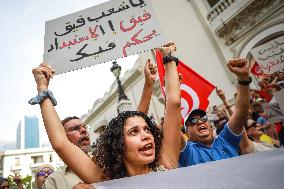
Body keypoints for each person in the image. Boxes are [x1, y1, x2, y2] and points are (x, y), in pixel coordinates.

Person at [30, 43, 181, 183]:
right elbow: (60, 143)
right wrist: (42, 88)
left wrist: (168, 58)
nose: (146, 135)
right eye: (134, 132)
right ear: (118, 145)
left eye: (147, 129)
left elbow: (173, 102)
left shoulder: (166, 164)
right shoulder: (106, 182)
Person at [179, 58, 250, 167]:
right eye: (193, 120)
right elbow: (172, 128)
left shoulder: (226, 139)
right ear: (187, 133)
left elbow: (240, 112)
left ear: (210, 125)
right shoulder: (186, 152)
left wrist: (243, 78)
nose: (200, 122)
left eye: (203, 118)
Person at [42, 116, 94, 189]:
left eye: (85, 127)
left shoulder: (107, 163)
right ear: (63, 138)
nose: (83, 130)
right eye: (74, 129)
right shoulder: (53, 181)